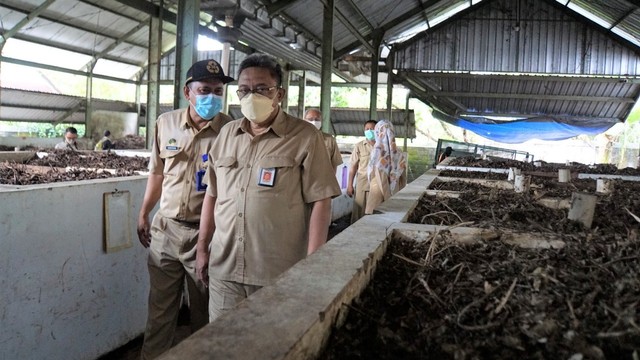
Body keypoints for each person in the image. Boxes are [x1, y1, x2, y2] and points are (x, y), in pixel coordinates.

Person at [196, 53, 341, 322]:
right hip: (225, 269)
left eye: (262, 89)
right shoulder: (227, 134)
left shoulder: (304, 137)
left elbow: (321, 200)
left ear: (279, 94)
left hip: (278, 273)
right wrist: (203, 247)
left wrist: (313, 264)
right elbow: (212, 194)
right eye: (245, 90)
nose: (252, 96)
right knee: (222, 347)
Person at [136, 59, 234, 360]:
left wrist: (210, 241)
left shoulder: (231, 130)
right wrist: (144, 212)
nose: (212, 97)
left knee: (205, 317)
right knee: (160, 313)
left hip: (206, 236)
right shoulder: (165, 123)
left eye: (218, 91)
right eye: (204, 90)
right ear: (187, 92)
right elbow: (157, 173)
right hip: (165, 231)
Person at [364, 120, 407, 214]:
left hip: (378, 192)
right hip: (394, 192)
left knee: (373, 217)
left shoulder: (377, 152)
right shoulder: (399, 153)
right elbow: (403, 179)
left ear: (377, 132)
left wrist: (387, 196)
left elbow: (378, 176)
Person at [346, 120, 377, 224]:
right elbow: (353, 167)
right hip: (362, 184)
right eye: (367, 129)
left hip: (378, 185)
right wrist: (350, 185)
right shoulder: (359, 146)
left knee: (375, 211)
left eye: (372, 129)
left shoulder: (383, 146)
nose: (369, 131)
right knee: (359, 211)